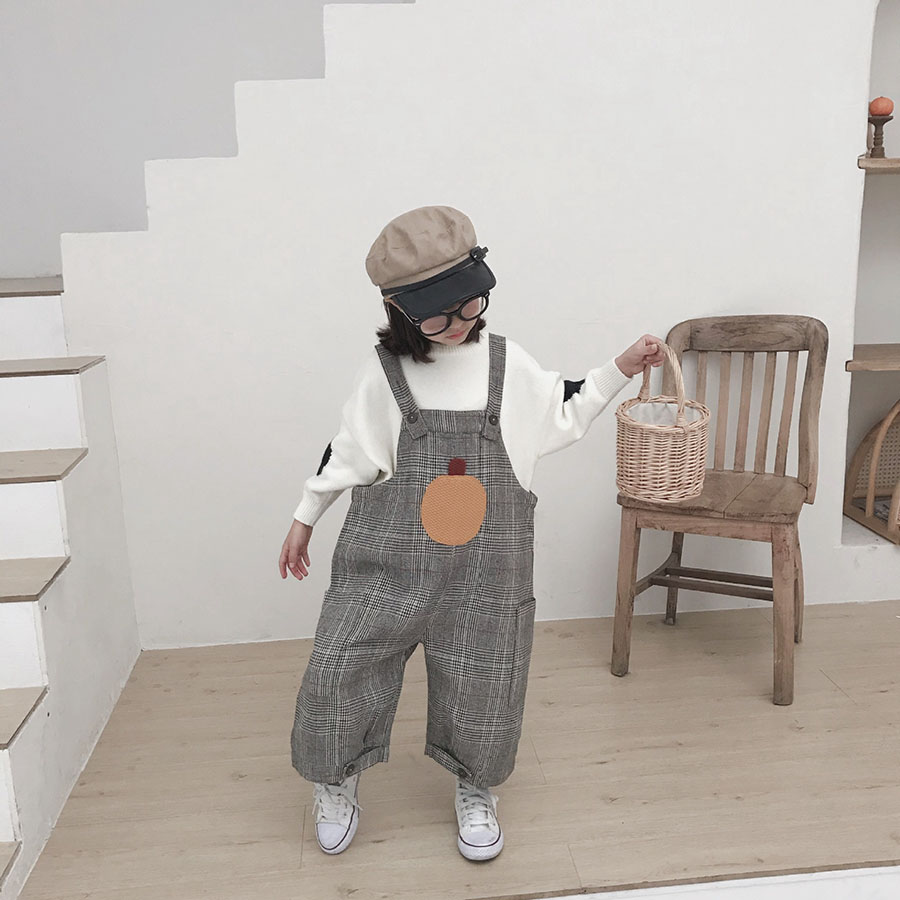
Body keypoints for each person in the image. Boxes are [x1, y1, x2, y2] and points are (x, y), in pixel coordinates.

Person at [279, 205, 664, 861]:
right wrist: (305, 515)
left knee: (486, 678)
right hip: (388, 560)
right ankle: (335, 780)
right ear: (399, 310)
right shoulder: (383, 373)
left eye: (469, 305)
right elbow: (346, 452)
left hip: (488, 571)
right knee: (340, 667)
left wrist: (621, 366)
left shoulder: (507, 364)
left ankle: (476, 787)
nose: (459, 324)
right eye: (437, 316)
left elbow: (566, 406)